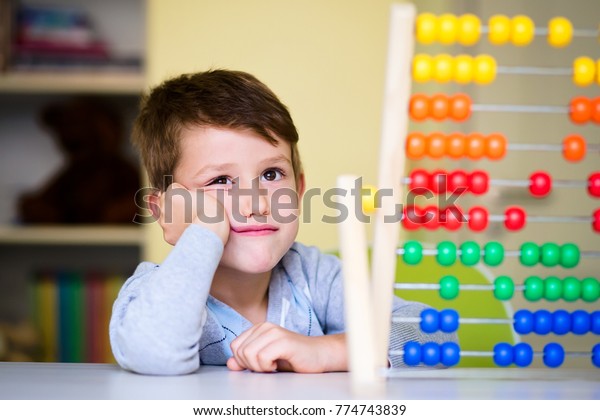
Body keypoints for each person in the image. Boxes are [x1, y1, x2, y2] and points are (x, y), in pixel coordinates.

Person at [109, 69, 455, 375]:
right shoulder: (151, 292)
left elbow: (436, 335)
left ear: (299, 188)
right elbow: (152, 352)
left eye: (272, 174)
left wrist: (327, 351)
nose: (258, 203)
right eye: (220, 181)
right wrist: (204, 230)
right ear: (166, 209)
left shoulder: (314, 278)